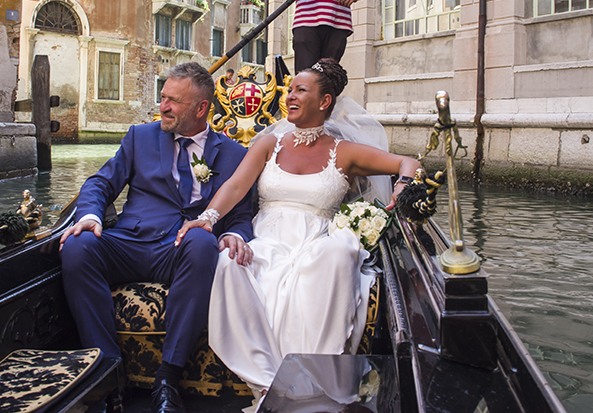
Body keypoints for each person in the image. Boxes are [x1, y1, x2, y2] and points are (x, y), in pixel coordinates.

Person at [174, 58, 421, 405]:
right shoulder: (269, 144)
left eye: (299, 90)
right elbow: (235, 186)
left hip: (317, 243)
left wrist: (403, 185)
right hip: (268, 240)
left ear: (324, 102)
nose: (288, 97)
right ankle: (270, 383)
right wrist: (209, 217)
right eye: (289, 90)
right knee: (230, 263)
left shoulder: (344, 152)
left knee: (337, 254)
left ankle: (311, 384)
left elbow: (407, 163)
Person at [59, 62, 255, 413]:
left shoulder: (235, 155)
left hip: (182, 248)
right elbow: (101, 183)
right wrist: (89, 215)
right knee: (77, 245)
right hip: (130, 242)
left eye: (173, 101)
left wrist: (236, 236)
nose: (163, 106)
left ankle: (168, 376)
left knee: (203, 242)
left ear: (201, 108)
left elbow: (240, 216)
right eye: (163, 97)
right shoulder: (140, 136)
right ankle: (108, 371)